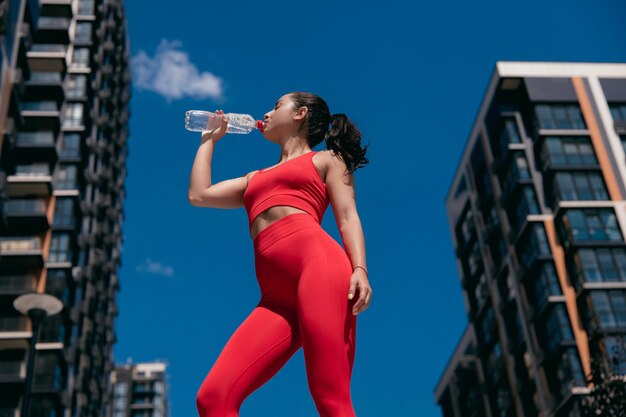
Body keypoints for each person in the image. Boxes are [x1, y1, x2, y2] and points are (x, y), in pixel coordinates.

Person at [188, 92, 371, 417]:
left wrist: (360, 268)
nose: (266, 114)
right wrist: (209, 140)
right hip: (274, 298)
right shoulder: (252, 178)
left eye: (275, 107)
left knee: (330, 396)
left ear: (300, 113)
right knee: (213, 398)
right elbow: (199, 195)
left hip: (319, 268)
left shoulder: (327, 159)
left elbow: (347, 216)